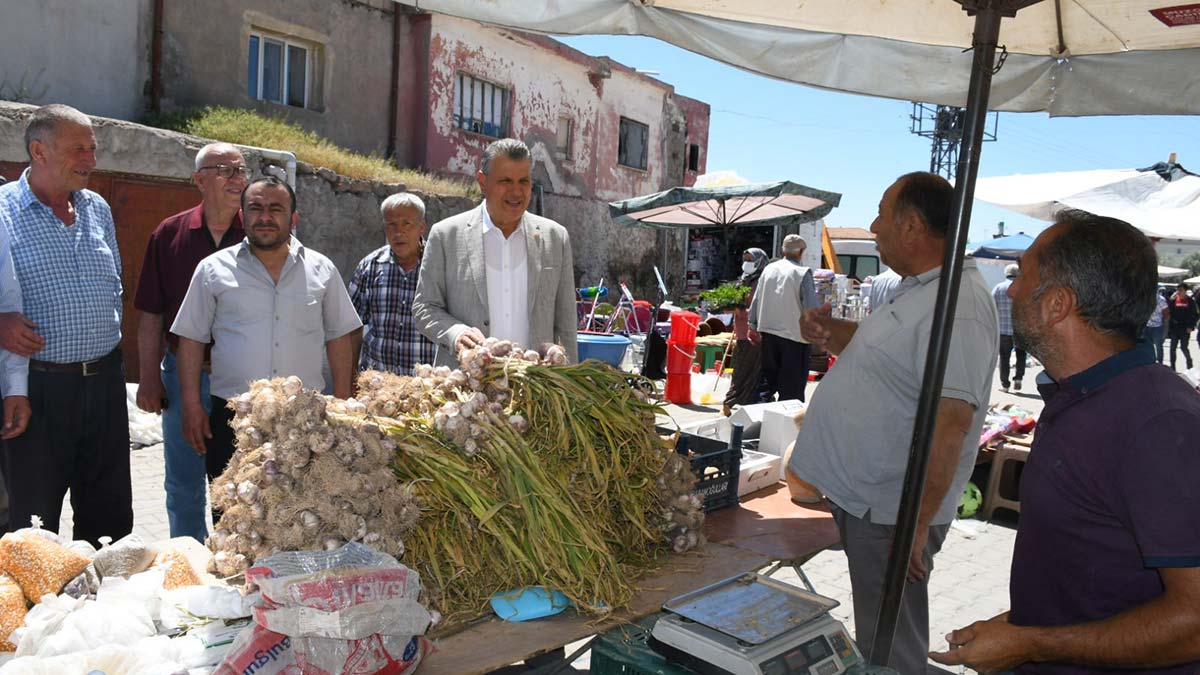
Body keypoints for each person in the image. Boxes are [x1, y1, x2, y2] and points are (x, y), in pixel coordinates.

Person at [930, 211, 1200, 675]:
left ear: (1057, 304)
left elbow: (1195, 620)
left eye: (1024, 275)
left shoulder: (1157, 422)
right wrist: (1024, 624)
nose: (1012, 289)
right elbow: (1102, 568)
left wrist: (1032, 643)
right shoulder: (1081, 392)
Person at [795, 172, 998, 674]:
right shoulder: (920, 291)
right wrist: (831, 332)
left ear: (911, 226)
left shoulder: (961, 306)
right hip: (872, 505)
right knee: (879, 637)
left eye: (882, 213)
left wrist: (917, 521)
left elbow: (951, 425)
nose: (872, 225)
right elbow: (889, 363)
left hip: (893, 513)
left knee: (891, 648)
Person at [172, 177, 362, 486]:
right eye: (256, 208)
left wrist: (342, 402)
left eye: (276, 209)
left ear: (294, 218)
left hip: (304, 418)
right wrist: (192, 404)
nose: (265, 217)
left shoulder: (322, 269)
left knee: (304, 513)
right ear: (242, 216)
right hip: (235, 417)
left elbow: (340, 336)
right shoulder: (212, 269)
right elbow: (191, 339)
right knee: (233, 514)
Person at [0, 104, 132, 546]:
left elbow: (115, 284)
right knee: (34, 528)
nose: (91, 161)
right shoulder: (2, 211)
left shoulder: (96, 207)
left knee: (111, 519)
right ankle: (39, 613)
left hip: (105, 386)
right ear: (38, 150)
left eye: (92, 149)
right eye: (79, 149)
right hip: (37, 392)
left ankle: (103, 611)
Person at [133, 143, 248, 542]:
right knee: (183, 481)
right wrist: (149, 378)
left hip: (242, 382)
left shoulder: (259, 233)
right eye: (226, 170)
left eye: (241, 170)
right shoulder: (170, 234)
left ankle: (234, 560)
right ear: (199, 180)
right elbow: (149, 313)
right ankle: (189, 564)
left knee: (241, 481)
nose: (238, 178)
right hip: (183, 376)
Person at [414, 138, 577, 368]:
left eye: (524, 181)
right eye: (505, 181)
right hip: (467, 388)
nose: (516, 191)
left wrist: (568, 386)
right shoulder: (446, 235)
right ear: (483, 181)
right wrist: (456, 333)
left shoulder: (555, 238)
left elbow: (567, 324)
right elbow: (424, 307)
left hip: (535, 393)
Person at [349, 192, 436, 375]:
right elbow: (351, 327)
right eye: (392, 225)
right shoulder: (370, 267)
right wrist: (350, 377)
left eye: (407, 224)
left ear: (421, 227)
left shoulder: (440, 267)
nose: (398, 233)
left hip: (427, 388)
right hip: (377, 388)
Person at [747, 235, 819, 402]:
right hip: (794, 337)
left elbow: (756, 299)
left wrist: (752, 325)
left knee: (767, 382)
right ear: (801, 252)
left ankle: (758, 420)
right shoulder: (802, 273)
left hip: (769, 334)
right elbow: (811, 308)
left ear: (782, 251)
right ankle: (785, 425)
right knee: (791, 388)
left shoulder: (768, 270)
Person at [723, 247, 768, 416]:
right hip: (741, 334)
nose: (747, 264)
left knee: (750, 373)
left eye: (751, 260)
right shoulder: (744, 280)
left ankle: (736, 404)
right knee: (740, 370)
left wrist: (741, 310)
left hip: (754, 335)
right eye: (746, 260)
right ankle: (731, 404)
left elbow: (760, 308)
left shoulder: (762, 282)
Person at [993, 263, 1027, 391]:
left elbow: (992, 307)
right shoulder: (1024, 288)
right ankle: (1018, 378)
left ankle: (1005, 385)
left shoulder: (998, 288)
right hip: (1020, 330)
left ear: (1006, 273)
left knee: (1004, 358)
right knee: (1021, 356)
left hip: (1003, 331)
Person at [1166, 281, 1197, 370]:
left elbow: (1195, 315)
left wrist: (1191, 326)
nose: (1179, 291)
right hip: (1175, 328)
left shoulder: (1190, 302)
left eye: (1181, 290)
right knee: (1172, 348)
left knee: (1183, 347)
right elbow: (1169, 313)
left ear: (1185, 291)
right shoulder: (1174, 300)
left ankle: (1189, 364)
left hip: (1185, 328)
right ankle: (1173, 368)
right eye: (1178, 290)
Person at [1145, 287, 1169, 365]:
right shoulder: (1145, 298)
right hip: (1146, 326)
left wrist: (1165, 329)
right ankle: (1150, 362)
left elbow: (1166, 314)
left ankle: (1160, 363)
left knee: (1158, 346)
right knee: (1148, 346)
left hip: (1157, 327)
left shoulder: (1161, 300)